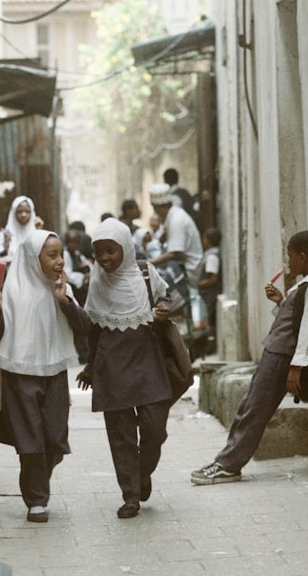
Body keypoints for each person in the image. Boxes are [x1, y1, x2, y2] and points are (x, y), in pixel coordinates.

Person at [190, 230, 308, 485]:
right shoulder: (302, 287)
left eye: (290, 256)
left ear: (302, 257)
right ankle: (225, 459)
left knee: (256, 410)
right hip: (273, 353)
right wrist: (280, 301)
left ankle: (229, 465)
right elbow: (291, 322)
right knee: (248, 406)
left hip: (281, 358)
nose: (287, 262)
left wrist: (296, 368)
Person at [0, 229, 89, 522]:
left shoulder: (61, 289)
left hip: (54, 371)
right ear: (33, 258)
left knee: (55, 439)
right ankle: (36, 500)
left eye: (61, 255)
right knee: (30, 439)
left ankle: (36, 481)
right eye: (52, 255)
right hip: (19, 374)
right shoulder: (13, 292)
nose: (59, 262)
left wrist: (64, 302)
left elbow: (84, 328)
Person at [77, 219, 175, 519]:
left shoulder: (146, 272)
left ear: (126, 248)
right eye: (99, 252)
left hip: (148, 362)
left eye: (111, 250)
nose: (104, 258)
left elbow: (164, 296)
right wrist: (90, 367)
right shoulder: (96, 281)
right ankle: (130, 495)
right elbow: (93, 329)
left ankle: (142, 473)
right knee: (121, 436)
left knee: (154, 429)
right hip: (112, 367)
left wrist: (163, 307)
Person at [148, 182, 203, 323]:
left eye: (154, 208)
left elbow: (175, 253)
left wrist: (149, 263)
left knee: (155, 283)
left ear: (159, 206)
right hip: (180, 265)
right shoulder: (172, 216)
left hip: (188, 270)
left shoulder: (177, 219)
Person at [198, 227, 222, 338]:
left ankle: (211, 342)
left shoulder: (212, 257)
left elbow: (213, 279)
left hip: (210, 294)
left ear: (208, 240)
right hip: (208, 294)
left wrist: (201, 284)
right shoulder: (210, 254)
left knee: (210, 319)